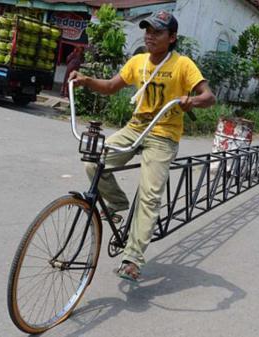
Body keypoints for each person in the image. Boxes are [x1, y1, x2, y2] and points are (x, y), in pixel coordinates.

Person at [69, 10, 216, 281]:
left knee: (150, 195)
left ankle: (132, 258)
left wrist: (191, 100)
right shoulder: (137, 61)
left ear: (172, 38)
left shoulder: (183, 65)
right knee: (93, 160)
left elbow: (208, 96)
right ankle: (117, 203)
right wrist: (86, 80)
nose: (150, 36)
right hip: (135, 128)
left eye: (157, 32)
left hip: (163, 135)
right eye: (148, 30)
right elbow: (112, 85)